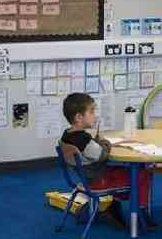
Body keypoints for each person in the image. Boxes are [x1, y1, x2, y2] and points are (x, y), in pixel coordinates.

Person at [60, 92, 156, 230]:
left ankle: (114, 208)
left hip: (87, 178)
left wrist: (96, 142)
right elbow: (102, 154)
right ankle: (140, 215)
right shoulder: (82, 139)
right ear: (78, 117)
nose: (95, 115)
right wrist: (104, 142)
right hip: (98, 180)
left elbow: (92, 151)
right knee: (143, 173)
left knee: (122, 171)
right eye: (91, 111)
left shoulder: (67, 135)